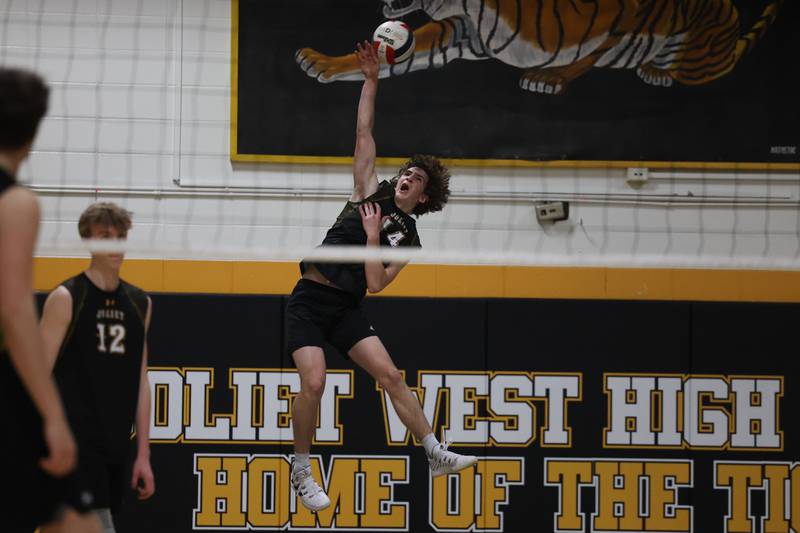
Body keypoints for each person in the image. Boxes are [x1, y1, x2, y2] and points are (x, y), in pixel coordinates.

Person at [286, 42, 477, 512]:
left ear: (425, 199)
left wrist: (372, 236)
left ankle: (433, 451)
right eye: (407, 171)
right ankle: (302, 467)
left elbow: (375, 284)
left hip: (347, 307)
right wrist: (371, 80)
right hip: (310, 299)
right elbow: (364, 132)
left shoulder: (408, 238)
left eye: (416, 177)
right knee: (314, 383)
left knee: (391, 375)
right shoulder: (369, 190)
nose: (407, 176)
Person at [0, 67, 101, 533]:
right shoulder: (16, 202)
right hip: (9, 393)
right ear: (33, 131)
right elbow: (15, 310)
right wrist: (52, 415)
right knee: (78, 521)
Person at [39, 202, 155, 532]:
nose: (114, 243)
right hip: (72, 445)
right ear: (89, 240)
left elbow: (140, 381)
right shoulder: (67, 297)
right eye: (106, 236)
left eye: (120, 236)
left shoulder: (140, 303)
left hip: (114, 447)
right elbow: (36, 376)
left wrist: (143, 455)